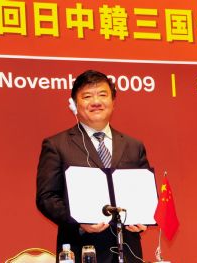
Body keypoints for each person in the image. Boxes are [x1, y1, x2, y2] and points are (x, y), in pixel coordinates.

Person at [36, 69, 149, 263]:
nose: (96, 102)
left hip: (129, 251)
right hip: (82, 250)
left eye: (103, 95)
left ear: (113, 101)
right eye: (87, 96)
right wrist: (79, 221)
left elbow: (144, 193)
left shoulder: (133, 146)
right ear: (75, 104)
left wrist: (143, 217)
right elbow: (47, 197)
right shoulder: (57, 145)